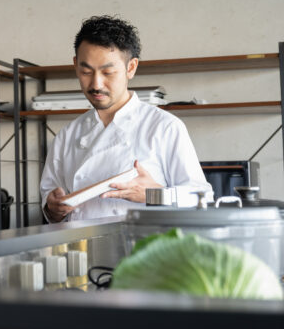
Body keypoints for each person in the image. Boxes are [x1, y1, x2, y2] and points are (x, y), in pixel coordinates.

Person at [40, 15, 211, 222]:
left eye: (108, 72)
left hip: (142, 248)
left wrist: (154, 195)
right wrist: (52, 208)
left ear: (131, 68)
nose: (96, 84)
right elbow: (50, 202)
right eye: (86, 71)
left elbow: (203, 198)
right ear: (75, 65)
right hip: (82, 251)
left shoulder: (164, 127)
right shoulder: (67, 135)